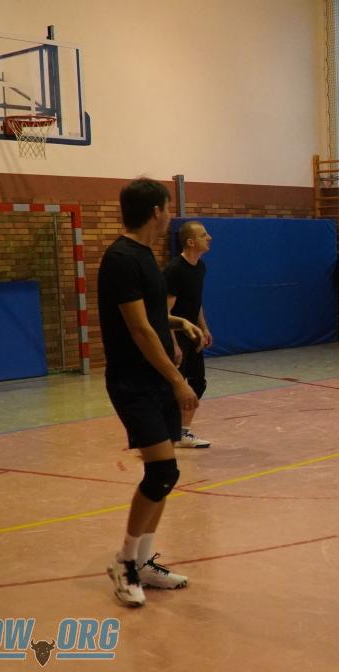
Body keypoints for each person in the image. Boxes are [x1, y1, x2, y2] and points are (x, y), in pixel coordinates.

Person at [99, 178, 203, 607]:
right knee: (160, 472)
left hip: (155, 379)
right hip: (134, 381)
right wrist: (178, 380)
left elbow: (154, 317)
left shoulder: (144, 256)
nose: (170, 215)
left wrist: (179, 323)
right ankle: (124, 563)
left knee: (167, 474)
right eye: (168, 207)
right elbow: (139, 329)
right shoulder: (122, 259)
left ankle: (142, 562)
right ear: (156, 211)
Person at [164, 220, 214, 448]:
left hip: (193, 333)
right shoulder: (175, 270)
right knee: (174, 387)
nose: (209, 238)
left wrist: (204, 328)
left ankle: (182, 433)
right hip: (176, 335)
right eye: (204, 235)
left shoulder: (200, 267)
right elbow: (165, 312)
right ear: (191, 242)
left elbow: (196, 301)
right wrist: (173, 345)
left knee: (197, 384)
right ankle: (164, 433)